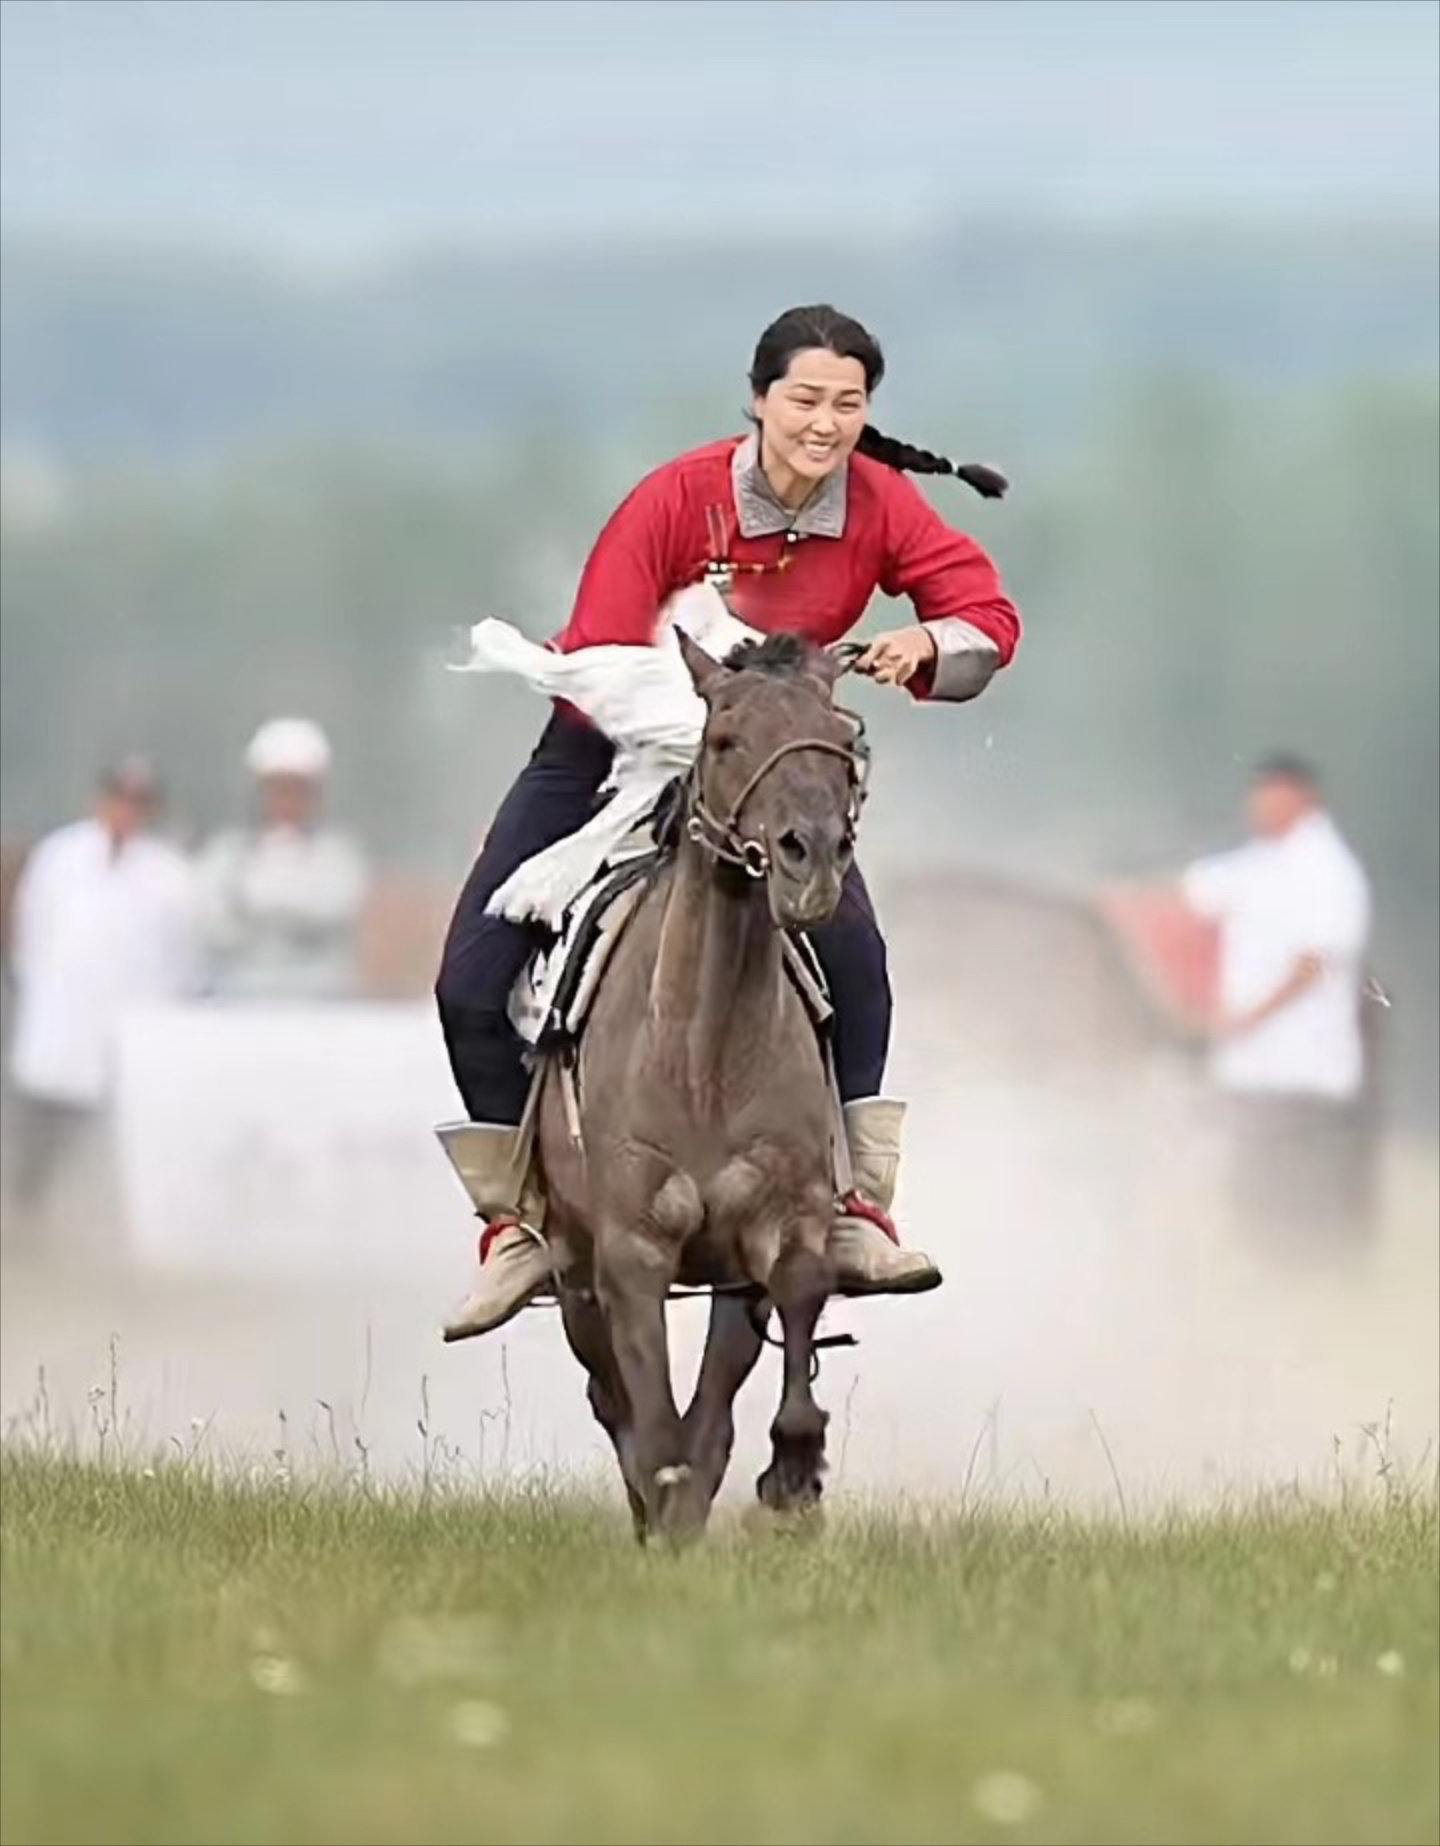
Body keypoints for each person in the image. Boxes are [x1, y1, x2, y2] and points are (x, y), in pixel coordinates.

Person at [435, 303, 1022, 1341]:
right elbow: (605, 651)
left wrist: (930, 643)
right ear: (759, 400)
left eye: (848, 404)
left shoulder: (881, 505)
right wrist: (729, 709)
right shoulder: (678, 497)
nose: (824, 423)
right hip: (608, 744)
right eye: (804, 399)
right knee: (470, 975)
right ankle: (517, 1222)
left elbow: (988, 615)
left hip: (769, 773)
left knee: (858, 959)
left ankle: (853, 1207)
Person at [1179, 755, 1377, 1245]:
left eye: (1270, 794)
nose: (1257, 805)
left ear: (1302, 798)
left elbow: (1315, 962)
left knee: (1299, 1210)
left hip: (1304, 1075)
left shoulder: (1329, 872)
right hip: (1257, 1072)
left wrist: (1249, 1018)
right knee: (1253, 1204)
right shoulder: (1261, 864)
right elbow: (1194, 894)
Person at [3, 756, 200, 1236]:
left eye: (138, 802)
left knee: (110, 1155)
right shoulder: (60, 855)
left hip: (125, 1038)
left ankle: (100, 1237)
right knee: (37, 1150)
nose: (126, 810)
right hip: (55, 1027)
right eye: (119, 798)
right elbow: (30, 935)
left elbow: (183, 961)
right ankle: (27, 1231)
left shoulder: (170, 875)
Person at [195, 717, 370, 1002]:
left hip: (318, 1006)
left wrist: (257, 903)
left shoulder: (338, 855)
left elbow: (335, 908)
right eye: (279, 789)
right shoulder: (227, 852)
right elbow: (215, 924)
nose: (288, 800)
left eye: (299, 790)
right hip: (240, 1001)